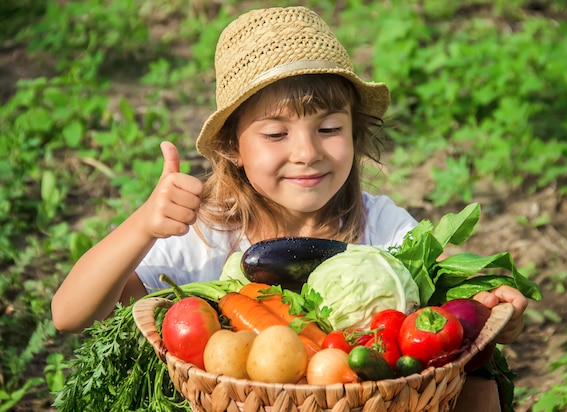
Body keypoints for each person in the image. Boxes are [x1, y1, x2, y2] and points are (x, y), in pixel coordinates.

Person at [52, 5, 526, 349]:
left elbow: (464, 291)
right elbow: (69, 315)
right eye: (276, 134)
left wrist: (494, 303)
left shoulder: (378, 226)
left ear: (356, 134)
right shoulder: (205, 234)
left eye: (329, 129)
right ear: (231, 147)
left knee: (477, 379)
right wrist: (142, 227)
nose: (307, 153)